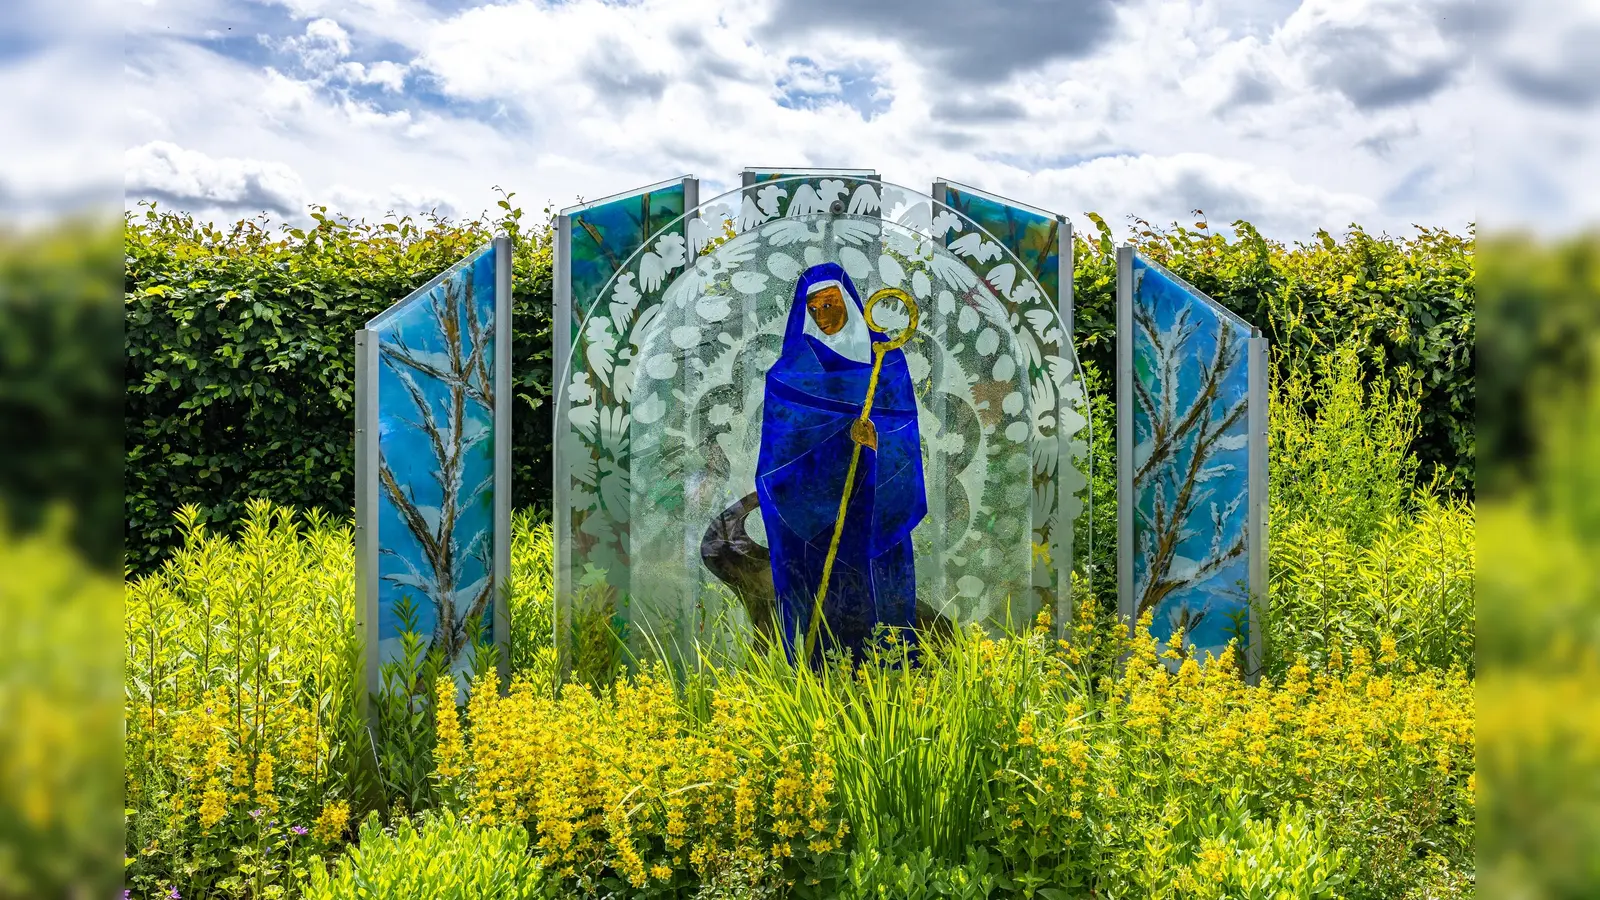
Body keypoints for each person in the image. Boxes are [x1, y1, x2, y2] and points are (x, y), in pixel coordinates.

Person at [755, 263, 926, 664]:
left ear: (847, 301)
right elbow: (777, 452)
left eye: (830, 304)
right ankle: (820, 673)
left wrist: (877, 439)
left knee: (875, 588)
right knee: (826, 596)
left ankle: (886, 673)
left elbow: (903, 425)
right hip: (813, 512)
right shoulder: (791, 372)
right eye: (813, 309)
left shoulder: (885, 361)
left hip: (873, 498)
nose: (823, 316)